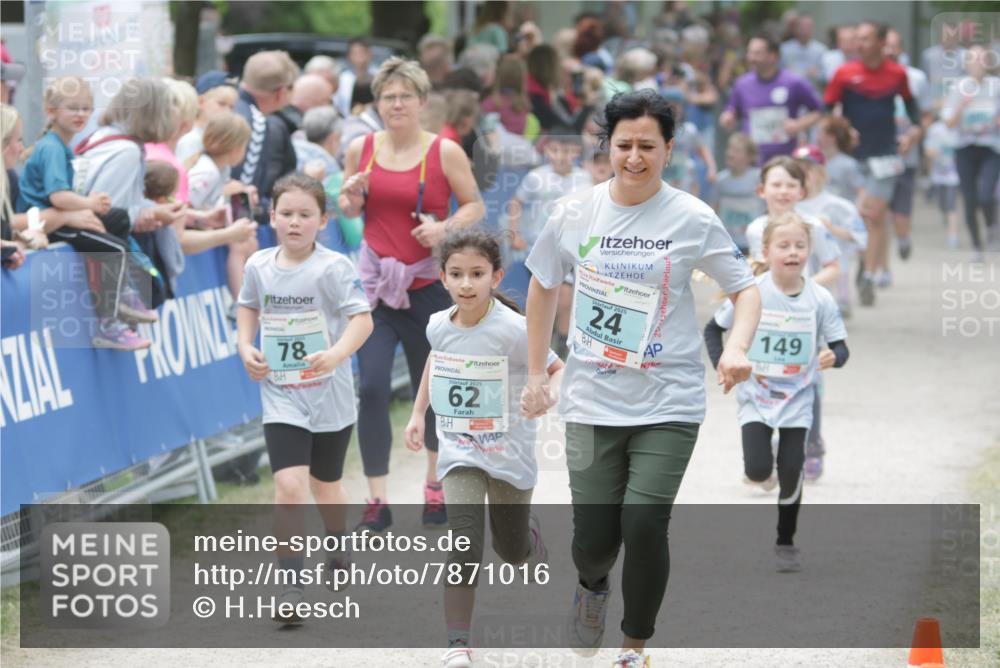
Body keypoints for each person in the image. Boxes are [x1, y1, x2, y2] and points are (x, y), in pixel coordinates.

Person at [522, 90, 761, 667]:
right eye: (623, 144)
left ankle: (634, 646)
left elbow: (745, 289)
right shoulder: (574, 212)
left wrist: (735, 346)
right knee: (595, 542)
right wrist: (535, 372)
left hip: (668, 399)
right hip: (591, 400)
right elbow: (541, 285)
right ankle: (592, 587)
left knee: (646, 522)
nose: (634, 156)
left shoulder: (691, 216)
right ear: (608, 146)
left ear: (668, 149)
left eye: (646, 146)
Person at [403, 229, 562, 668]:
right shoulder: (438, 324)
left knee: (510, 552)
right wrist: (418, 414)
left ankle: (527, 536)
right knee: (464, 543)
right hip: (460, 454)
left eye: (477, 274)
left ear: (496, 276)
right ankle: (458, 644)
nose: (466, 283)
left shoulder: (513, 329)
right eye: (457, 274)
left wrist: (546, 395)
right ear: (442, 278)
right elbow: (437, 363)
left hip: (509, 455)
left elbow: (556, 367)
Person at [339, 57, 485, 531]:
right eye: (388, 96)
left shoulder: (443, 152)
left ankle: (434, 484)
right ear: (377, 103)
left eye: (405, 96)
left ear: (422, 102)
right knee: (374, 388)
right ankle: (377, 500)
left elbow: (475, 205)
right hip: (377, 289)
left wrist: (443, 228)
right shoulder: (360, 147)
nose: (396, 104)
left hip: (426, 289)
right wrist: (349, 198)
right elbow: (347, 206)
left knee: (437, 392)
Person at [236, 173, 374, 624]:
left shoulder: (334, 268)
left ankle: (336, 543)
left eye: (305, 215)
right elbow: (248, 305)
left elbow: (362, 321)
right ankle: (291, 586)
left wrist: (335, 354)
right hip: (281, 394)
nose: (295, 223)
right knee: (290, 486)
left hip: (329, 394)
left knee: (325, 485)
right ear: (271, 217)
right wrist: (245, 345)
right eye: (286, 214)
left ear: (323, 220)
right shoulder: (259, 264)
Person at [704, 213, 849, 572]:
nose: (793, 251)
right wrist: (724, 365)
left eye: (800, 245)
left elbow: (841, 348)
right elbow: (712, 329)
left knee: (792, 468)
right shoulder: (754, 293)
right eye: (783, 245)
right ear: (766, 252)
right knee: (756, 470)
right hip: (756, 395)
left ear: (809, 252)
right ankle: (761, 472)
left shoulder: (820, 299)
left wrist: (834, 356)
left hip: (799, 398)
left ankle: (786, 541)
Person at [18, 77, 164, 350]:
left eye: (86, 108)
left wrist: (92, 204)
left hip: (60, 214)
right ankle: (110, 323)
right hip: (46, 221)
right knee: (115, 249)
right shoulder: (51, 148)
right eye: (72, 108)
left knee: (118, 217)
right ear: (51, 111)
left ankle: (123, 294)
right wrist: (90, 204)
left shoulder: (64, 145)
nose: (81, 114)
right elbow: (58, 198)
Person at [824, 21, 921, 306]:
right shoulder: (844, 73)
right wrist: (843, 127)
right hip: (851, 156)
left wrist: (913, 133)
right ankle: (858, 267)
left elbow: (913, 111)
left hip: (885, 155)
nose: (859, 43)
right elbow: (827, 109)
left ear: (881, 43)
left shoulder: (897, 73)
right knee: (853, 215)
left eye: (866, 38)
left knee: (874, 215)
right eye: (858, 39)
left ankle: (866, 273)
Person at [185, 111, 259, 308]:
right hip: (194, 227)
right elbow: (185, 205)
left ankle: (255, 294)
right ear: (235, 149)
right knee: (239, 244)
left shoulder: (221, 168)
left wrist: (241, 193)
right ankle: (240, 303)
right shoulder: (206, 172)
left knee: (249, 240)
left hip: (206, 222)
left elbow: (217, 195)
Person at [720, 34, 823, 164]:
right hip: (751, 162)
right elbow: (731, 109)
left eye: (757, 53)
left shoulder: (793, 82)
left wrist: (798, 125)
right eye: (749, 53)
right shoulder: (742, 84)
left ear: (773, 56)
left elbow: (818, 111)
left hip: (785, 159)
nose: (751, 58)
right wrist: (728, 117)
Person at [746, 156, 841, 290]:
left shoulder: (814, 225)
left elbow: (833, 267)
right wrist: (738, 259)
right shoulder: (755, 228)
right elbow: (753, 262)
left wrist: (804, 288)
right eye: (776, 185)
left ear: (801, 192)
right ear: (761, 190)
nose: (783, 191)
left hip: (806, 304)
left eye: (791, 185)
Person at [941, 45, 1000, 260]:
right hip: (964, 149)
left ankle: (991, 224)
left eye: (982, 59)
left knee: (986, 195)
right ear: (966, 64)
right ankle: (977, 245)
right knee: (970, 198)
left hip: (991, 148)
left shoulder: (996, 86)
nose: (977, 64)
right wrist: (961, 108)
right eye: (973, 60)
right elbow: (948, 122)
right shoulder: (958, 88)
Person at [232, 50, 299, 217]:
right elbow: (245, 191)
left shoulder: (224, 104)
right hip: (236, 229)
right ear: (281, 92)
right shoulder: (257, 123)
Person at [506, 126, 591, 258]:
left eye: (567, 151)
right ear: (546, 150)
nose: (560, 157)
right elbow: (516, 201)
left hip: (571, 249)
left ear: (576, 152)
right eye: (554, 150)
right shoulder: (536, 176)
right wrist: (514, 234)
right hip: (537, 247)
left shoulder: (586, 178)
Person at [712, 133, 764, 255]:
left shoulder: (759, 177)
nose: (730, 153)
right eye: (729, 148)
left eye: (737, 150)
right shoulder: (720, 180)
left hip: (752, 242)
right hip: (728, 242)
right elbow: (715, 208)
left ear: (750, 156)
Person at [176, 70, 239, 163]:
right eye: (221, 104)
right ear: (201, 102)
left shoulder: (214, 139)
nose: (227, 112)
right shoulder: (191, 140)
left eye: (231, 107)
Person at [924, 115, 962, 249]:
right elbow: (928, 150)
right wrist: (934, 153)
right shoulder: (935, 129)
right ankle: (946, 218)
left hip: (954, 174)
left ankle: (953, 234)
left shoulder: (961, 128)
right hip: (938, 174)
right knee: (942, 204)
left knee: (952, 205)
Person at [816, 116, 864, 202]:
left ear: (832, 137)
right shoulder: (815, 162)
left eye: (821, 132)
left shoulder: (848, 164)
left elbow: (861, 191)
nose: (817, 137)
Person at [334, 38, 378, 118]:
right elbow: (337, 103)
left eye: (362, 52)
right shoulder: (343, 78)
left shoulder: (378, 76)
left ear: (369, 54)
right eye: (355, 53)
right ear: (349, 56)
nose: (359, 56)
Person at [780, 15, 827, 87]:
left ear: (813, 28)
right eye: (802, 26)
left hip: (814, 92)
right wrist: (786, 73)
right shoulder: (784, 49)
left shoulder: (822, 50)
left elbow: (827, 76)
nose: (805, 29)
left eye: (808, 26)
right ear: (796, 27)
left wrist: (817, 74)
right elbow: (776, 72)